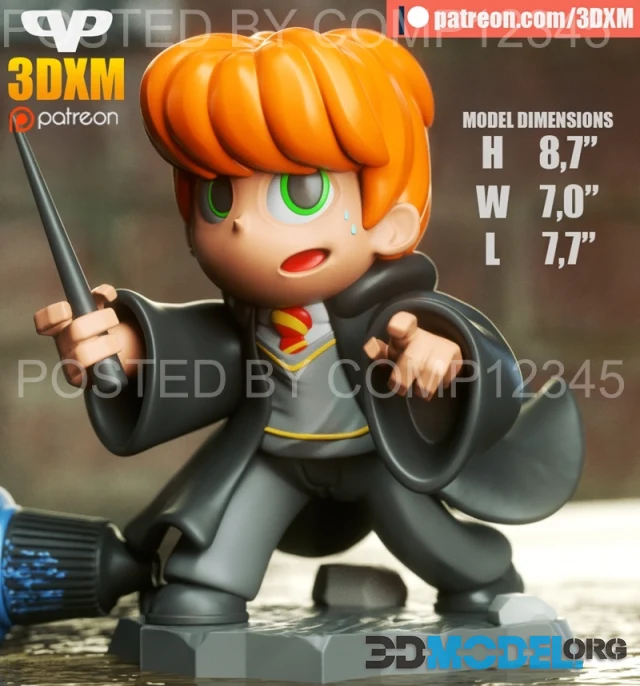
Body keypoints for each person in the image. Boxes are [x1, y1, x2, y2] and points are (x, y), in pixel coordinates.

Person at [34, 28, 584, 626]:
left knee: (443, 549)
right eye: (218, 197)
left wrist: (443, 357)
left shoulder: (397, 317)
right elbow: (205, 351)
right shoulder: (247, 320)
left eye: (300, 192)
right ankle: (206, 592)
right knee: (202, 579)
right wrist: (129, 345)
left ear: (391, 223)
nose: (241, 223)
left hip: (378, 458)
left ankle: (484, 579)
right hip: (274, 457)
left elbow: (471, 352)